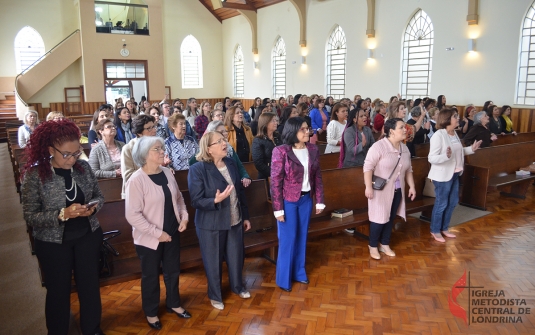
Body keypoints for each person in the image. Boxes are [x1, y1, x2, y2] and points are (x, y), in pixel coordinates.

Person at [21, 119, 105, 335]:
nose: (72, 159)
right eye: (66, 154)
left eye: (76, 152)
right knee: (59, 291)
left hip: (87, 235)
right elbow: (31, 216)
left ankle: (92, 328)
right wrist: (62, 214)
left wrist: (92, 208)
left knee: (89, 286)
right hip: (53, 243)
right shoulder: (35, 175)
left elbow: (99, 196)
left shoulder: (84, 168)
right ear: (51, 150)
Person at [124, 136, 191, 330]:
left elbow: (178, 199)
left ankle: (174, 303)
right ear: (145, 155)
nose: (162, 151)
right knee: (151, 276)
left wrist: (184, 217)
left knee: (173, 271)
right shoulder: (136, 180)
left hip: (172, 233)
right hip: (149, 239)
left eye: (162, 148)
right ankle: (151, 312)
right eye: (157, 149)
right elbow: (132, 216)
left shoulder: (167, 173)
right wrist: (156, 233)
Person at [188, 131, 252, 310]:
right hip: (211, 224)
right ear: (209, 149)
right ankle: (215, 296)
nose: (225, 143)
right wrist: (214, 201)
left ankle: (238, 287)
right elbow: (196, 200)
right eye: (220, 141)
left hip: (235, 219)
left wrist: (245, 216)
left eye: (224, 140)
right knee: (213, 260)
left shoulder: (231, 163)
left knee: (236, 257)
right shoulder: (198, 169)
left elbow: (239, 193)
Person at [270, 117, 325, 292]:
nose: (307, 132)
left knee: (302, 237)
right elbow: (276, 181)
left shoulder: (313, 149)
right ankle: (283, 279)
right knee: (287, 239)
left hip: (306, 200)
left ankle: (299, 273)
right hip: (288, 201)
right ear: (293, 131)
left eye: (307, 128)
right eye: (303, 129)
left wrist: (320, 200)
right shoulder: (281, 151)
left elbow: (317, 177)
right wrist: (278, 208)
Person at [363, 118, 415, 260]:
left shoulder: (404, 148)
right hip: (380, 190)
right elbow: (367, 168)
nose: (405, 130)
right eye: (401, 127)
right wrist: (368, 187)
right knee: (379, 218)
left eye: (405, 127)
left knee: (390, 218)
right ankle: (373, 245)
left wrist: (412, 186)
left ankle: (384, 243)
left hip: (398, 190)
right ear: (391, 131)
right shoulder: (379, 147)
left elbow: (409, 169)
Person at [428, 109, 482, 243]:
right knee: (441, 203)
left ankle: (444, 228)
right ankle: (435, 230)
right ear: (446, 119)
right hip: (442, 176)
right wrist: (445, 156)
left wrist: (471, 149)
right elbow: (431, 158)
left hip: (455, 173)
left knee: (452, 202)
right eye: (455, 117)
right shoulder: (439, 135)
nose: (458, 119)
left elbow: (458, 152)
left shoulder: (454, 134)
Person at [189, 121, 252, 187]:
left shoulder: (229, 148)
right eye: (221, 132)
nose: (225, 134)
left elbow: (239, 166)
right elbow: (192, 166)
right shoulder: (203, 152)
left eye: (225, 131)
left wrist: (245, 176)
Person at [121, 114, 158, 198]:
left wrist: (167, 167)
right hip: (136, 193)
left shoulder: (157, 146)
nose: (154, 131)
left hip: (155, 191)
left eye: (154, 127)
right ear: (139, 133)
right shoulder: (128, 149)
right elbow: (128, 175)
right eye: (149, 128)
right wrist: (152, 169)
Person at [252, 113, 282, 181]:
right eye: (273, 121)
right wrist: (274, 173)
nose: (276, 123)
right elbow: (259, 163)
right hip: (267, 176)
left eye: (276, 120)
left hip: (281, 173)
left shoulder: (278, 136)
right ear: (265, 123)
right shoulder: (258, 140)